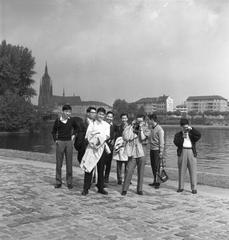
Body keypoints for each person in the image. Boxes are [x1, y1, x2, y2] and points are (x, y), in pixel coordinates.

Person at [81, 107, 110, 195]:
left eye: (103, 114)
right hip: (92, 148)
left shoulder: (106, 125)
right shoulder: (92, 124)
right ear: (97, 114)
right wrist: (94, 141)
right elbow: (87, 136)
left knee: (101, 169)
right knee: (89, 168)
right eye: (99, 114)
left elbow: (107, 136)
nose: (101, 116)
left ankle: (100, 187)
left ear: (104, 116)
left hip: (101, 148)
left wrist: (100, 138)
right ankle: (86, 188)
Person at [121, 114, 150, 196]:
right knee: (129, 170)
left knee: (141, 171)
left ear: (144, 121)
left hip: (142, 151)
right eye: (138, 121)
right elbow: (126, 137)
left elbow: (143, 138)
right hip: (133, 151)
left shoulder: (146, 128)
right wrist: (131, 126)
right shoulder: (132, 127)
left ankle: (139, 189)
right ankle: (125, 189)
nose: (139, 122)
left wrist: (140, 129)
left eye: (141, 121)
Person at [51, 104, 78, 189]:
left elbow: (77, 128)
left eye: (70, 112)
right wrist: (56, 140)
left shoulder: (72, 120)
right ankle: (58, 181)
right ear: (63, 112)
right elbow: (53, 131)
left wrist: (73, 135)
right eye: (67, 112)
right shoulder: (58, 121)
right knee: (59, 163)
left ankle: (69, 182)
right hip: (60, 142)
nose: (68, 113)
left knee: (69, 163)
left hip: (69, 142)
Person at [174, 118, 201, 194]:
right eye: (183, 127)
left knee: (193, 171)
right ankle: (181, 187)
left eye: (186, 127)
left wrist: (191, 129)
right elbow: (176, 143)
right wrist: (182, 136)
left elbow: (199, 135)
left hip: (191, 152)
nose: (185, 129)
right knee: (181, 170)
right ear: (181, 126)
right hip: (182, 151)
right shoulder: (178, 134)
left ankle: (194, 188)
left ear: (188, 126)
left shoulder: (192, 133)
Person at [148, 113, 165, 189]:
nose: (148, 121)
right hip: (151, 149)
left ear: (152, 120)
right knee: (153, 166)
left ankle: (157, 182)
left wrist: (161, 152)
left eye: (149, 119)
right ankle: (155, 180)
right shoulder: (152, 128)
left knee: (157, 167)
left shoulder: (160, 129)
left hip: (157, 150)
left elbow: (162, 142)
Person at [114, 113, 129, 184]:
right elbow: (116, 137)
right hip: (120, 147)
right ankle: (119, 179)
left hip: (127, 148)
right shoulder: (118, 127)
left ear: (127, 119)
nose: (124, 120)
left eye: (125, 118)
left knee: (127, 165)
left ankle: (127, 179)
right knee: (119, 164)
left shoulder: (130, 127)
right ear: (121, 119)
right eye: (122, 118)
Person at [104, 111, 117, 184]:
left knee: (108, 163)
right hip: (102, 145)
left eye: (111, 117)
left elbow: (117, 134)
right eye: (108, 116)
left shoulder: (114, 126)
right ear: (106, 116)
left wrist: (114, 140)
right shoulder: (103, 124)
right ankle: (97, 177)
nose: (109, 118)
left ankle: (106, 178)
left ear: (113, 118)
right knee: (101, 162)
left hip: (110, 147)